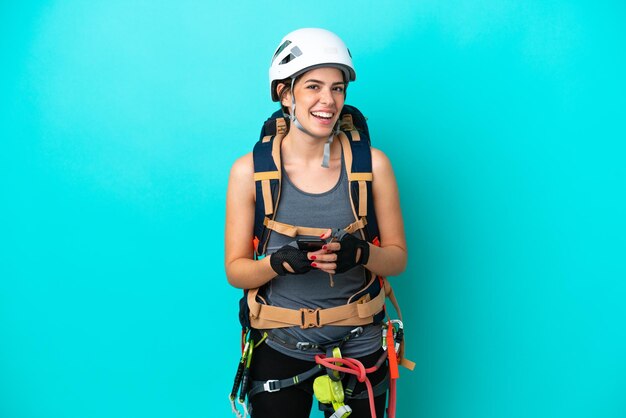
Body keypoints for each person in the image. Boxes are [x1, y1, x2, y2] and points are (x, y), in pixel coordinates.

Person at [225, 28, 407, 418]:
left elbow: (396, 259)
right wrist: (275, 264)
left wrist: (361, 254)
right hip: (279, 344)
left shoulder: (373, 167)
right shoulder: (249, 173)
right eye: (313, 87)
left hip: (359, 344)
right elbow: (236, 271)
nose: (328, 100)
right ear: (285, 93)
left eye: (338, 88)